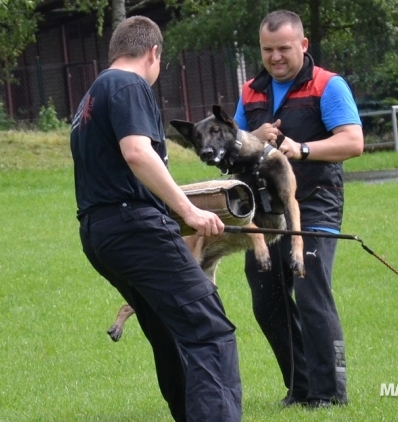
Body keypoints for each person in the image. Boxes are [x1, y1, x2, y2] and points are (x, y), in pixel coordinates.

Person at [70, 16, 242, 422]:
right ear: (153, 53)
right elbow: (136, 153)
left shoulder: (91, 97)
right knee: (210, 332)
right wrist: (188, 210)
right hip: (135, 230)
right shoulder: (129, 84)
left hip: (101, 233)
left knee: (171, 334)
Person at [233, 10, 364, 408]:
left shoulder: (329, 85)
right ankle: (301, 387)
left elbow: (353, 142)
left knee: (310, 293)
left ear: (303, 46)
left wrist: (303, 149)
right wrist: (252, 136)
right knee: (266, 297)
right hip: (267, 213)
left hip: (316, 203)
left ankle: (329, 393)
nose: (274, 57)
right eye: (267, 49)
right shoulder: (250, 91)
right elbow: (235, 146)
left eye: (283, 49)